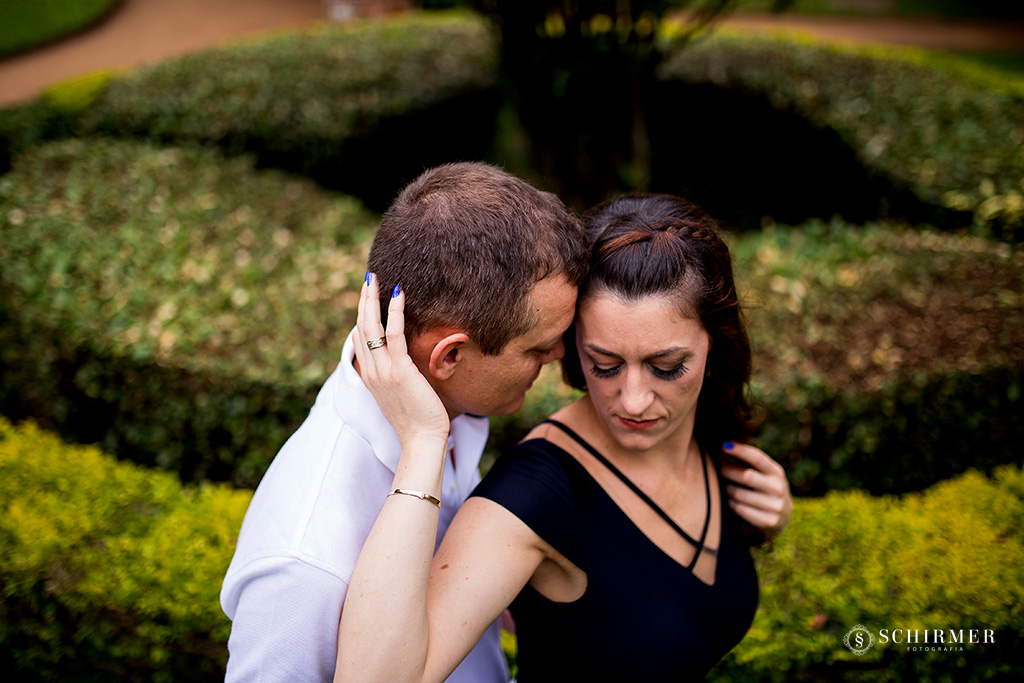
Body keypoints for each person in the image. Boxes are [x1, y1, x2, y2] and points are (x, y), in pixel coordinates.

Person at [337, 192, 793, 682]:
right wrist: (424, 439)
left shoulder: (710, 436)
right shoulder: (533, 493)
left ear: (715, 345)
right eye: (605, 365)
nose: (634, 400)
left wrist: (765, 521)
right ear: (572, 347)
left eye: (666, 367)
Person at [220, 162, 590, 682]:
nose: (558, 356)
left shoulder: (456, 407)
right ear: (449, 356)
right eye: (536, 348)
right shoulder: (303, 564)